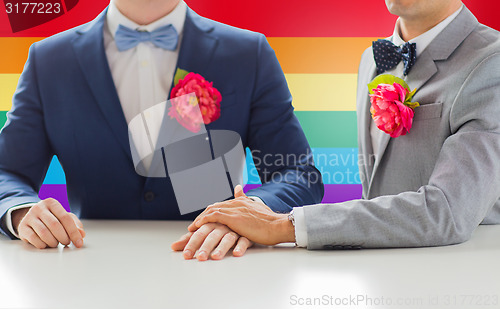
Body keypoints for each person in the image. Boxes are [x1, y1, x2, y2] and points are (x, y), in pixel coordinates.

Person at [0, 0, 324, 255]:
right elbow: (7, 171)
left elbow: (298, 173)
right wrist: (20, 211)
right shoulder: (50, 59)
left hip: (216, 265)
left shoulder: (248, 53)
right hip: (89, 264)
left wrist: (249, 214)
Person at [187, 0, 500, 250]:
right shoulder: (373, 60)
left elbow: (448, 213)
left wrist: (284, 226)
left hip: (454, 275)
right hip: (381, 276)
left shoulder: (491, 63)